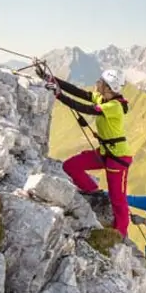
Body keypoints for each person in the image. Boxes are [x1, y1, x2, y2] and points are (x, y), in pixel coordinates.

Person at [40, 67, 134, 237]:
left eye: (101, 82)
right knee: (71, 166)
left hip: (118, 158)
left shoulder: (114, 106)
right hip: (105, 152)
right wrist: (51, 78)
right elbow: (79, 93)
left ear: (108, 87)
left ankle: (120, 233)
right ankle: (93, 192)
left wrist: (58, 95)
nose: (97, 83)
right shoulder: (103, 98)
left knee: (117, 198)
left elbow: (86, 108)